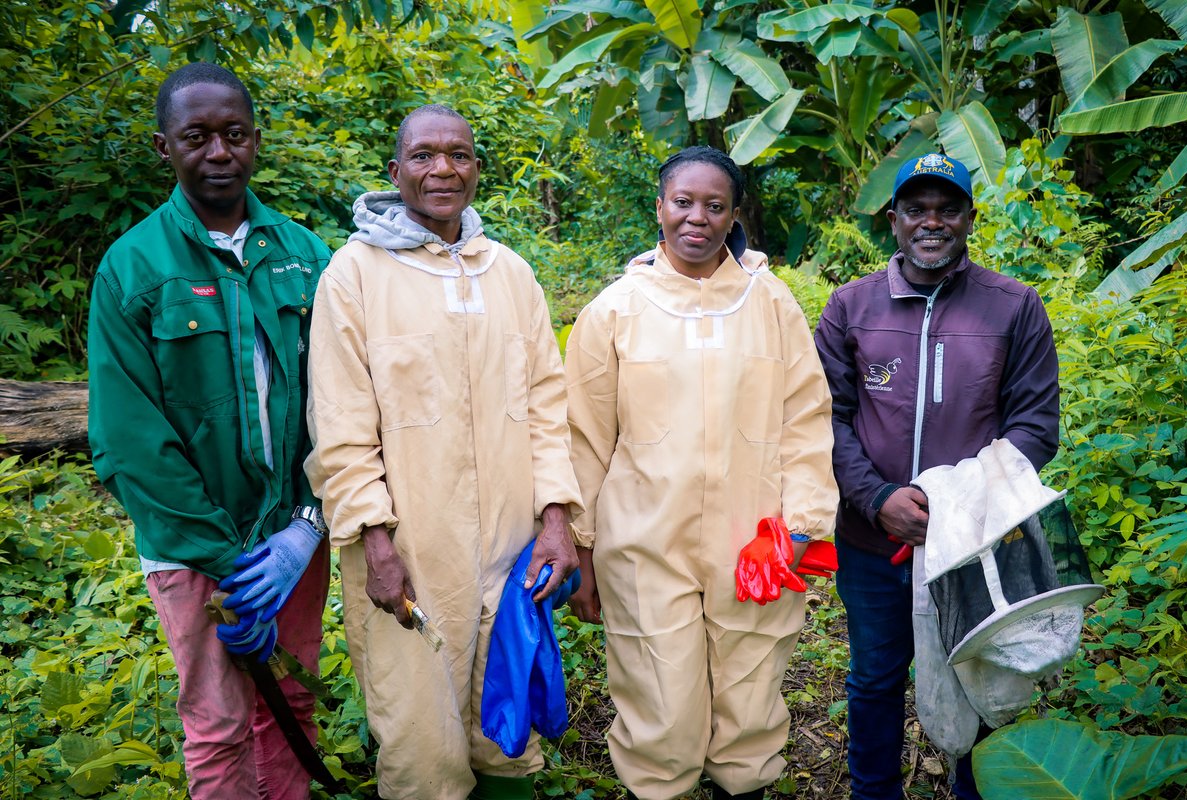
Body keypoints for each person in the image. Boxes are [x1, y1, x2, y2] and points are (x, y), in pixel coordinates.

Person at [304, 104, 583, 800]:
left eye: (457, 154)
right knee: (421, 744)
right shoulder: (354, 275)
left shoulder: (510, 274)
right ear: (396, 172)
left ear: (476, 170)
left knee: (507, 729)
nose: (442, 169)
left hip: (511, 547)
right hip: (410, 553)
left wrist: (556, 521)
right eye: (424, 156)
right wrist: (375, 542)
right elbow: (339, 423)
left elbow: (549, 406)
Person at [87, 63, 332, 800]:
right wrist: (229, 565)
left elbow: (343, 404)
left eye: (233, 134)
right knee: (219, 724)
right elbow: (129, 442)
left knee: (292, 702)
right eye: (196, 137)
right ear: (164, 147)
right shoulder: (132, 267)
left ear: (256, 141)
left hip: (292, 540)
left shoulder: (305, 255)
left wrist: (304, 530)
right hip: (193, 548)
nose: (218, 152)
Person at [565, 146, 839, 800]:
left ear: (734, 214)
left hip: (757, 545)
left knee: (750, 701)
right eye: (683, 202)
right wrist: (583, 547)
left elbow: (806, 419)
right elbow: (584, 438)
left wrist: (803, 525)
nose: (697, 218)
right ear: (658, 208)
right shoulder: (615, 311)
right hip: (644, 544)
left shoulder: (770, 304)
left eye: (714, 206)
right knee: (659, 704)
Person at [813, 152, 1060, 800]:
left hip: (977, 544)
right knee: (873, 678)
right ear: (892, 220)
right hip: (872, 543)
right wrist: (878, 499)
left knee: (981, 675)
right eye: (916, 209)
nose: (932, 221)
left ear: (969, 218)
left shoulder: (1014, 307)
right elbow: (824, 419)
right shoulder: (851, 306)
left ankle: (978, 791)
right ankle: (874, 792)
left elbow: (1035, 426)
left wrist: (956, 503)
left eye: (947, 208)